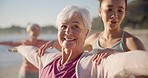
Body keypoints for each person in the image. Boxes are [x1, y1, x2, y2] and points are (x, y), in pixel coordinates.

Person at [9, 5, 148, 78]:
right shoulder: (47, 60)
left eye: (75, 26)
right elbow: (28, 50)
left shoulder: (93, 64)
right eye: (63, 26)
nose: (68, 32)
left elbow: (127, 61)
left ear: (86, 32)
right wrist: (17, 49)